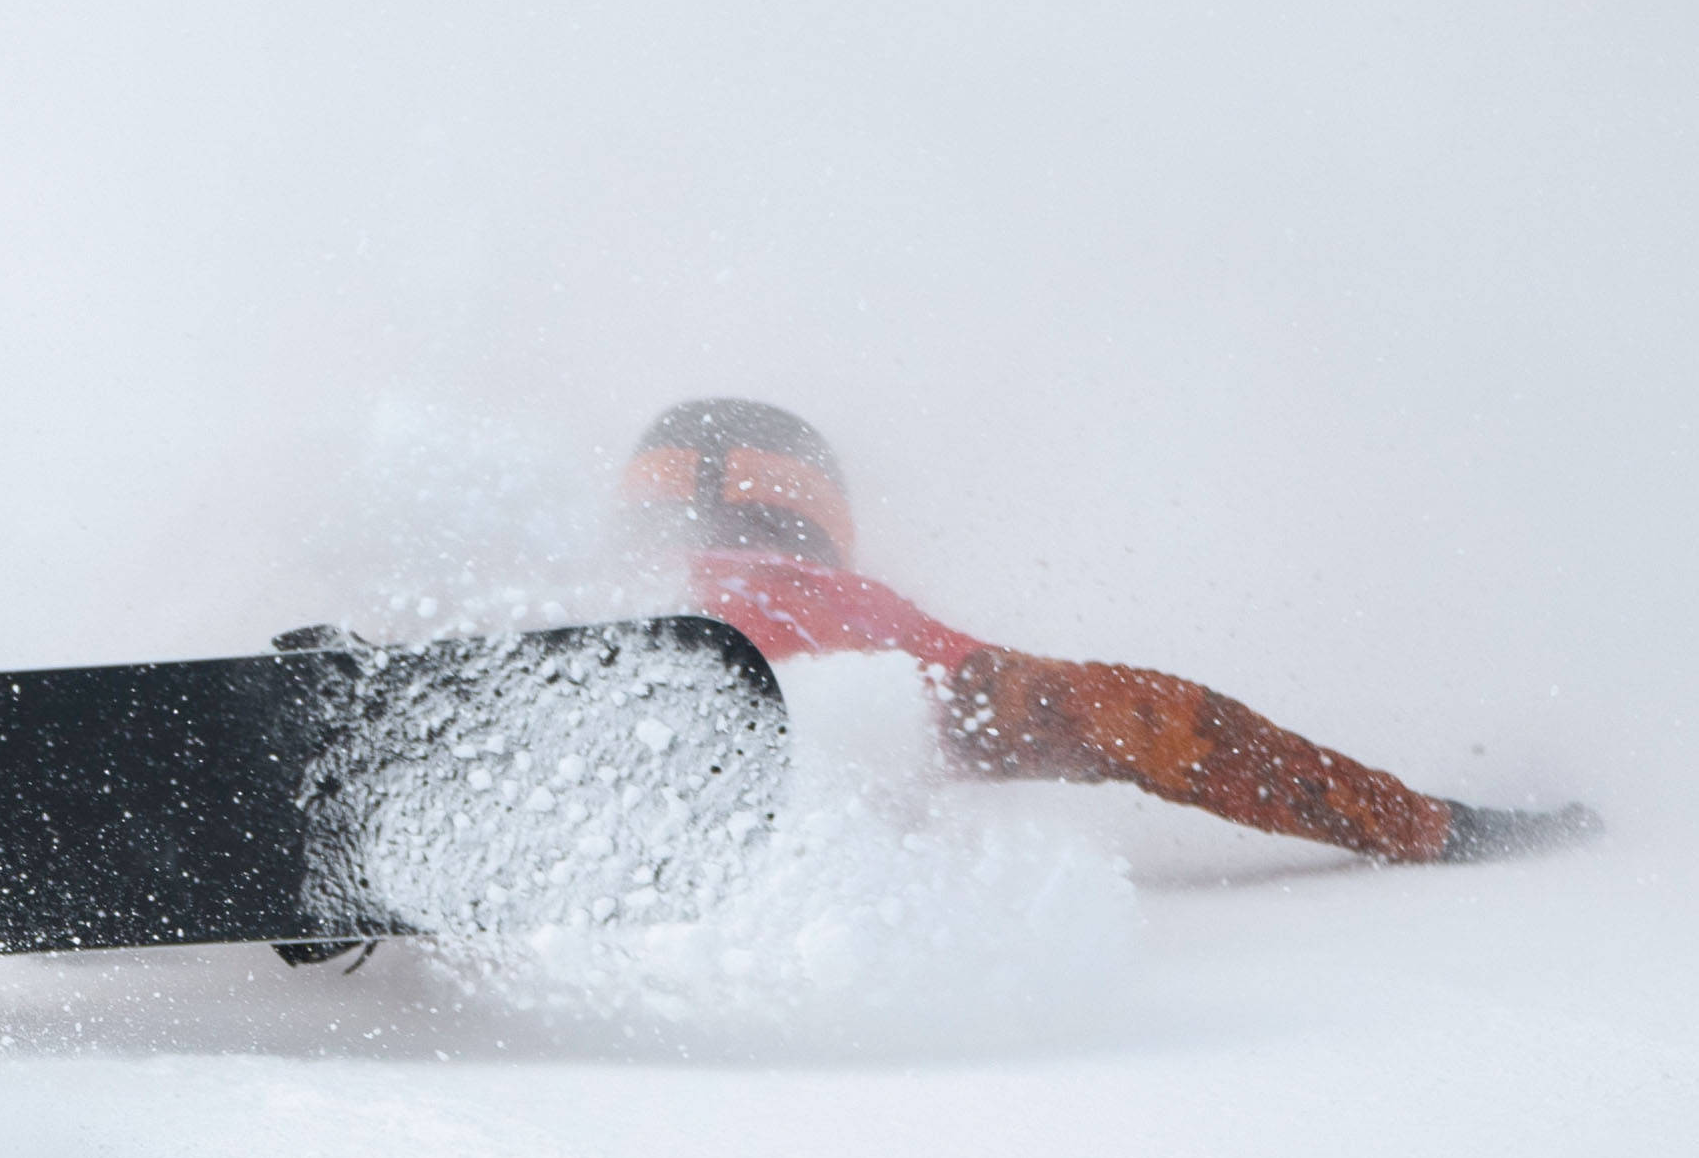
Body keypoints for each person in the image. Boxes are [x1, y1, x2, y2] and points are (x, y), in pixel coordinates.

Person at [623, 397, 1598, 865]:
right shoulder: (858, 616)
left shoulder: (568, 583)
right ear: (821, 508)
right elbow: (1157, 722)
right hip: (808, 793)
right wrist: (1420, 821)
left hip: (636, 748)